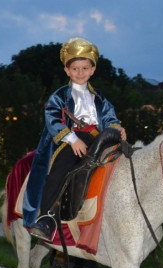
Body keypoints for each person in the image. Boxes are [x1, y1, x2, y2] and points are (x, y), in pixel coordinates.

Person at [23, 36, 126, 241]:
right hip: (69, 140)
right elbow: (52, 117)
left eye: (85, 68)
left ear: (93, 70)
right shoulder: (60, 95)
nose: (80, 73)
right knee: (62, 166)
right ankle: (48, 217)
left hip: (97, 139)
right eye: (76, 69)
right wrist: (72, 139)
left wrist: (117, 127)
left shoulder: (99, 98)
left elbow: (109, 117)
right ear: (67, 71)